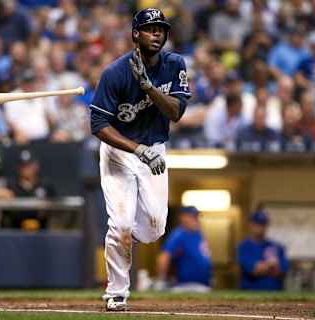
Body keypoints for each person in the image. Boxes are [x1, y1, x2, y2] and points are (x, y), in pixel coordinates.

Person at [90, 8, 190, 311]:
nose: (157, 33)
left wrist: (148, 87)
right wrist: (136, 150)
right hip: (120, 152)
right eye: (149, 29)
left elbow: (175, 112)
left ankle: (121, 234)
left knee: (156, 229)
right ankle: (116, 292)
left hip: (155, 150)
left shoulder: (174, 65)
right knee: (120, 224)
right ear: (136, 34)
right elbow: (98, 126)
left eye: (161, 28)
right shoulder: (115, 72)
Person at [155, 206, 212, 292]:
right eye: (192, 216)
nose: (196, 219)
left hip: (203, 285)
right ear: (183, 217)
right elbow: (164, 257)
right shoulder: (178, 234)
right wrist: (161, 280)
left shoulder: (199, 233)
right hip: (185, 286)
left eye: (197, 217)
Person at [237, 210, 289, 290]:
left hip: (275, 295)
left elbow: (282, 271)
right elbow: (253, 270)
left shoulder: (277, 246)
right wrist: (271, 265)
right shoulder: (244, 246)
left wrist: (263, 267)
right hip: (250, 295)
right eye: (257, 224)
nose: (260, 227)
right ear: (250, 224)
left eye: (263, 224)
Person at [4, 150, 54, 229]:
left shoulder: (45, 185)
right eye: (23, 165)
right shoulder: (11, 186)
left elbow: (54, 208)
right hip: (16, 230)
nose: (26, 169)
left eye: (29, 165)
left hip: (42, 231)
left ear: (36, 165)